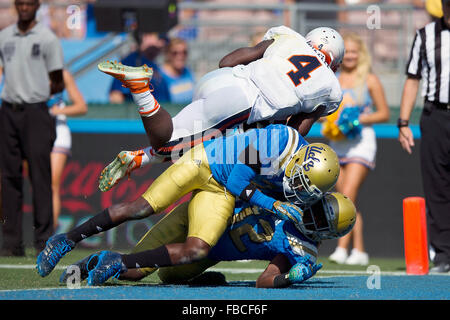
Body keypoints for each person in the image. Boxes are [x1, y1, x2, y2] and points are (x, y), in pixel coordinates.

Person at [36, 123, 340, 281]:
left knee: (197, 250)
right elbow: (237, 181)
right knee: (142, 207)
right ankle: (66, 239)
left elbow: (234, 190)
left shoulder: (301, 179)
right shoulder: (277, 142)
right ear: (299, 160)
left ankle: (107, 261)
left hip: (219, 194)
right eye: (299, 181)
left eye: (306, 189)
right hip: (207, 163)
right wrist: (273, 206)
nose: (296, 190)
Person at [96, 25, 345, 191]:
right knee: (168, 142)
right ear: (334, 62)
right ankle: (141, 89)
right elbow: (294, 132)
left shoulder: (289, 38)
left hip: (220, 80)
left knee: (200, 144)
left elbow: (227, 61)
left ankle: (139, 158)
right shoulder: (330, 88)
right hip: (244, 103)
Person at [59, 192, 356, 287]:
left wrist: (290, 277)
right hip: (202, 216)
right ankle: (85, 264)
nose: (310, 215)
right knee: (139, 268)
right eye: (314, 207)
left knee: (163, 277)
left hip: (210, 251)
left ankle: (94, 261)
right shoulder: (288, 191)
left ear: (327, 233)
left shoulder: (301, 250)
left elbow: (265, 280)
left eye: (318, 219)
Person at [0, 0, 64, 256]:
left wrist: (35, 91)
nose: (24, 7)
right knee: (8, 178)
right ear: (16, 6)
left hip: (37, 112)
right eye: (21, 3)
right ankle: (11, 243)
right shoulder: (4, 37)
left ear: (37, 6)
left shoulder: (48, 39)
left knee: (40, 177)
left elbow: (57, 81)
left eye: (29, 3)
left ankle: (43, 241)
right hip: (8, 111)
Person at [323, 33, 390, 266]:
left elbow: (384, 113)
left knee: (347, 195)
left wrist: (358, 118)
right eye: (347, 51)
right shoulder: (332, 80)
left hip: (361, 142)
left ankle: (341, 248)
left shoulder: (370, 80)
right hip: (338, 143)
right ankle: (359, 251)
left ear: (361, 55)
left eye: (354, 51)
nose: (350, 55)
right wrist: (331, 122)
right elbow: (324, 114)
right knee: (347, 199)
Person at [398, 0, 450, 273]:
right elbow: (413, 78)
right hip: (436, 116)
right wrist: (403, 121)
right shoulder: (425, 36)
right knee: (437, 185)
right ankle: (443, 254)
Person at [48, 70, 87, 230]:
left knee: (51, 184)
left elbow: (81, 107)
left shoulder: (61, 74)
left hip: (56, 130)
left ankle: (47, 235)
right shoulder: (23, 68)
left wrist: (55, 111)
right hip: (28, 130)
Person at [108, 32, 170, 104]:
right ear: (146, 36)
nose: (163, 43)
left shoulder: (154, 64)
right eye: (159, 38)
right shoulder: (130, 62)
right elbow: (116, 96)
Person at [160, 37, 195, 104]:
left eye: (184, 52)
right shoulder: (159, 76)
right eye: (175, 53)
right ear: (167, 54)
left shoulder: (188, 72)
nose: (180, 56)